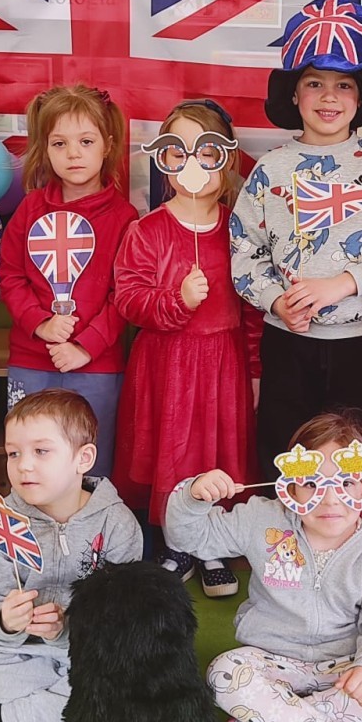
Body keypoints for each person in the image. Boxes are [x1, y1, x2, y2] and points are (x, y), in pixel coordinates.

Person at [166, 411, 362, 722]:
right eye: (311, 483)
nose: (330, 499)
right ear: (290, 486)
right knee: (222, 674)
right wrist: (193, 497)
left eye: (346, 482)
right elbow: (188, 538)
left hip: (343, 667)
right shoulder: (261, 519)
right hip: (269, 660)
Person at [230, 0, 362, 463]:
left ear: (360, 98)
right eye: (315, 83)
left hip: (357, 344)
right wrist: (277, 301)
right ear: (295, 94)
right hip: (286, 343)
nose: (329, 96)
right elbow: (244, 249)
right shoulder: (270, 169)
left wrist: (342, 284)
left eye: (344, 85)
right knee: (284, 455)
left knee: (356, 460)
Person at [0, 388, 143, 722]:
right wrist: (5, 622)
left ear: (83, 458)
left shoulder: (117, 524)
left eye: (41, 451)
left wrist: (65, 630)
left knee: (134, 674)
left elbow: (124, 617)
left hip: (88, 650)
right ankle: (73, 698)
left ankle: (5, 716)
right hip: (17, 652)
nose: (24, 464)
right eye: (14, 453)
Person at [114, 98, 262, 597]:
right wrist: (178, 299)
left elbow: (253, 307)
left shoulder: (240, 230)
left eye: (207, 151)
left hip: (224, 365)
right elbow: (129, 299)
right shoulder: (147, 230)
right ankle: (176, 543)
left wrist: (256, 369)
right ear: (165, 160)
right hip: (167, 365)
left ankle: (211, 544)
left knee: (215, 451)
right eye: (179, 153)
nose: (193, 164)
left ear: (226, 157)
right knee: (174, 452)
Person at [0, 84, 139, 478]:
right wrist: (40, 323)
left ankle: (92, 522)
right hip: (32, 360)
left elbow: (124, 295)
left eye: (86, 141)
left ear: (107, 145)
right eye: (59, 143)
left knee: (90, 465)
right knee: (31, 461)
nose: (73, 153)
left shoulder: (124, 217)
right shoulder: (30, 209)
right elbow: (10, 275)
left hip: (96, 366)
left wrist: (84, 347)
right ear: (45, 149)